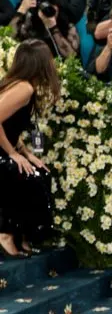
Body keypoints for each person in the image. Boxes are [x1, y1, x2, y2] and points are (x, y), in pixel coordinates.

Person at [0, 39, 57, 257]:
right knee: (25, 176)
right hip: (2, 153)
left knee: (39, 172)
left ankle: (22, 234)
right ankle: (5, 232)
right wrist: (12, 154)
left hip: (5, 149)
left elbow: (9, 127)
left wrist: (26, 153)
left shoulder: (21, 84)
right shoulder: (23, 88)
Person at [10, 0, 79, 59]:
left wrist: (53, 28)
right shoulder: (29, 25)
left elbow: (71, 57)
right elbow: (8, 39)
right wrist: (22, 9)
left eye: (53, 5)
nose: (49, 9)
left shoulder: (68, 26)